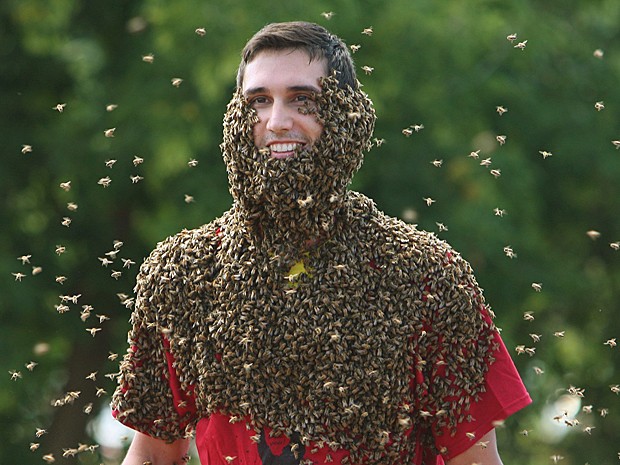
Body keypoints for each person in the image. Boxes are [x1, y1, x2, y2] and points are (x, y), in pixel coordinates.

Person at [112, 21, 531, 465]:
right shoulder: (186, 274)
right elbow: (153, 456)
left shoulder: (427, 277)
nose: (276, 121)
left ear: (347, 117)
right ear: (236, 119)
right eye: (259, 101)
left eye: (302, 100)